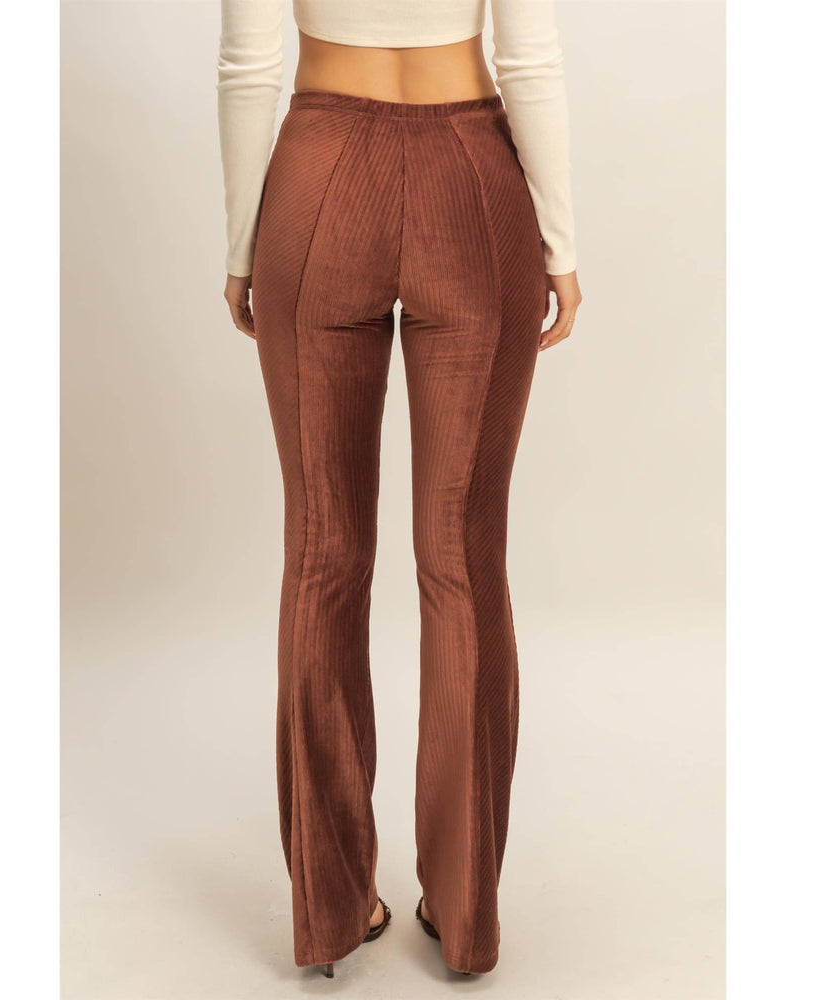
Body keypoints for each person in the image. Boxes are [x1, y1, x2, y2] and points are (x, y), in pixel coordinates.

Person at [216, 0, 583, 979]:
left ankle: (331, 908)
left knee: (322, 559)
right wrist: (559, 242)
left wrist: (245, 244)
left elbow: (250, 63)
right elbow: (528, 55)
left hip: (318, 175)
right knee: (462, 560)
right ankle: (465, 916)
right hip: (472, 176)